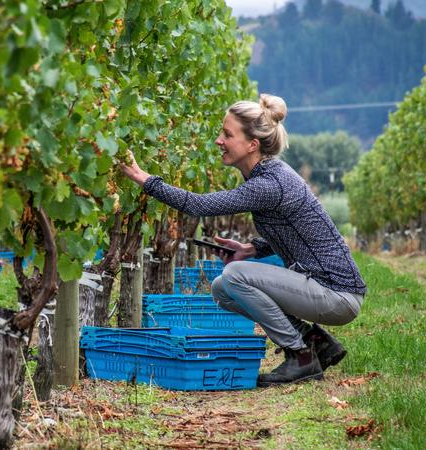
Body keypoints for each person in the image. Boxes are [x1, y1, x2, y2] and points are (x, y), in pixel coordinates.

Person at [119, 94, 366, 386]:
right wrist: (252, 248)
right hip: (322, 287)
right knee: (223, 288)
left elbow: (199, 205)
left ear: (253, 144)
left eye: (227, 134)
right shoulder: (269, 177)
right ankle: (315, 341)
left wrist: (145, 179)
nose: (218, 141)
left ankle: (300, 356)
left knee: (235, 275)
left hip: (337, 295)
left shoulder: (269, 183)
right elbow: (294, 231)